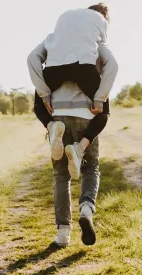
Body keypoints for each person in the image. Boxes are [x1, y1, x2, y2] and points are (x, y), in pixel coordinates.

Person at [27, 36, 118, 248]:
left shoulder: (53, 42)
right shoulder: (93, 44)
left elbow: (33, 58)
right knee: (90, 169)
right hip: (87, 113)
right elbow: (111, 66)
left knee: (60, 175)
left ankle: (63, 234)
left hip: (57, 112)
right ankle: (86, 209)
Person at [29, 3, 111, 155]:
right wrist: (99, 100)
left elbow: (32, 58)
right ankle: (80, 148)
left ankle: (51, 127)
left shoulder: (53, 38)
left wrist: (44, 94)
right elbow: (113, 65)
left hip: (54, 70)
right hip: (84, 69)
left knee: (38, 105)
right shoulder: (96, 39)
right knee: (104, 113)